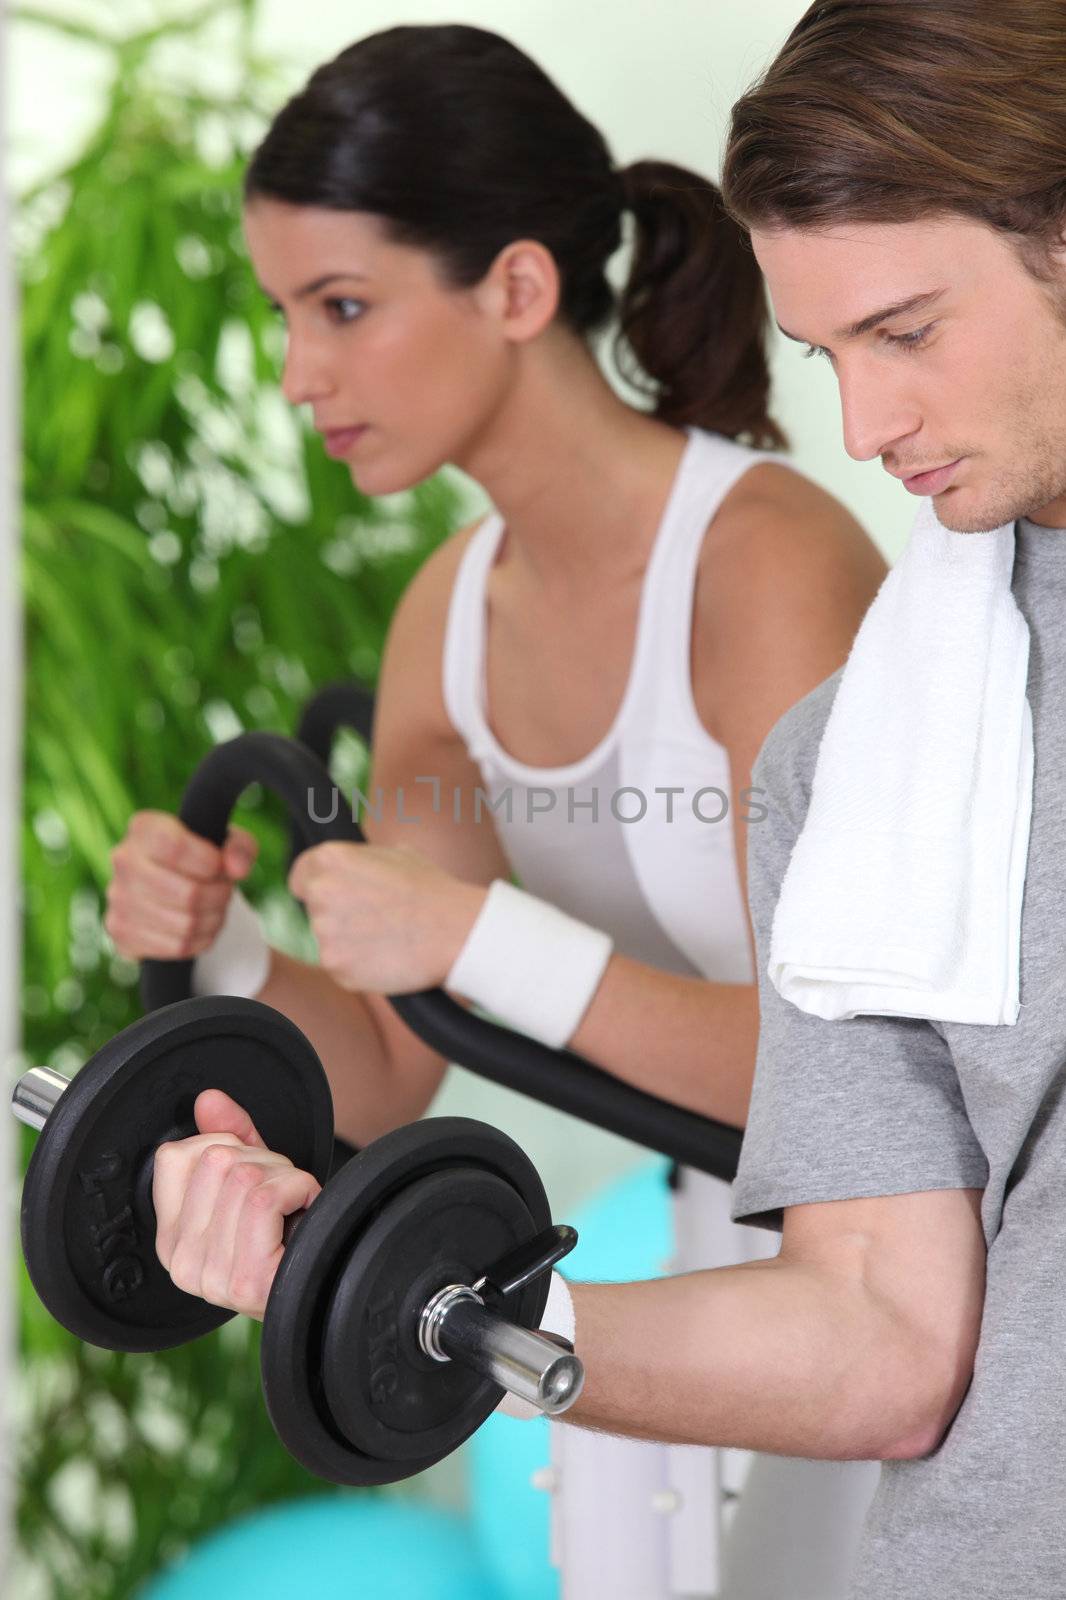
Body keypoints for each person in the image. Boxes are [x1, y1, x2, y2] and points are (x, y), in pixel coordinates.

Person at [104, 23, 888, 1599]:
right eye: (281, 315)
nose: (296, 375)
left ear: (518, 290)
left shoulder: (768, 567)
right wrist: (231, 952)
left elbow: (857, 1082)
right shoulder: (445, 624)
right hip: (693, 1294)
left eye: (343, 308)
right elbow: (398, 1064)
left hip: (895, 1299)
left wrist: (489, 935)